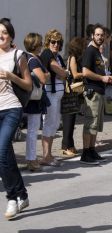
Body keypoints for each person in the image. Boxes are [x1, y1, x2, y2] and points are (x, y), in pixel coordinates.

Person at [0, 18, 32, 219]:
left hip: (12, 107)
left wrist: (10, 76)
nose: (0, 35)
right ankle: (22, 194)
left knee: (1, 151)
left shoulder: (18, 55)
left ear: (11, 35)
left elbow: (28, 85)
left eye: (4, 32)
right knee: (6, 155)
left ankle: (12, 197)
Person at [81, 23, 112, 165]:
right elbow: (85, 72)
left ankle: (92, 150)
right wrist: (102, 78)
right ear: (92, 36)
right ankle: (85, 153)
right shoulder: (90, 51)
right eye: (97, 35)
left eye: (102, 35)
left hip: (100, 91)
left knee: (96, 124)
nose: (100, 37)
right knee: (90, 123)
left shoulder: (98, 52)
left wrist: (107, 77)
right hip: (92, 91)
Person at [40, 29, 69, 166]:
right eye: (53, 42)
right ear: (48, 42)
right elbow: (60, 72)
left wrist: (63, 73)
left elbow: (62, 73)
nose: (56, 44)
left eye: (58, 42)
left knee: (54, 124)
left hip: (57, 96)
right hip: (50, 95)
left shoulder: (56, 56)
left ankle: (49, 155)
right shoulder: (47, 53)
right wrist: (63, 72)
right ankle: (46, 156)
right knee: (49, 124)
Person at [23, 32, 50, 172]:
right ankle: (31, 160)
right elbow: (43, 79)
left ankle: (30, 158)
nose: (41, 45)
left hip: (30, 98)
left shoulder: (27, 57)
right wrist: (47, 74)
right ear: (35, 44)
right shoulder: (33, 60)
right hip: (34, 99)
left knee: (31, 130)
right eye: (40, 43)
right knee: (33, 130)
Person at [61, 37, 86, 157]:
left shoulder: (74, 57)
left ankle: (70, 145)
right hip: (70, 92)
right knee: (68, 121)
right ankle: (66, 146)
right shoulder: (73, 58)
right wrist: (86, 73)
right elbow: (75, 74)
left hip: (73, 93)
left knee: (72, 121)